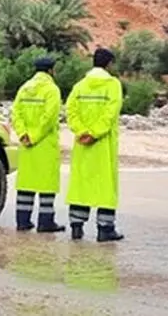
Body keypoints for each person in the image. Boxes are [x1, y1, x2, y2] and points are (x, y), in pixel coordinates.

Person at [64, 48, 125, 242]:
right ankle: (105, 229)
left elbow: (70, 111)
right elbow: (110, 113)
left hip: (82, 145)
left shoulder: (80, 86)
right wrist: (95, 133)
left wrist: (82, 132)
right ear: (108, 64)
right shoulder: (113, 85)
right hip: (103, 145)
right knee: (105, 187)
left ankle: (76, 227)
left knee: (81, 186)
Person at [10, 56, 65, 233]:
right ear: (50, 70)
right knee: (46, 184)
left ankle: (22, 221)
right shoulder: (52, 90)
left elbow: (15, 113)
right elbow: (49, 118)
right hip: (44, 144)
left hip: (26, 145)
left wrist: (23, 134)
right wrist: (35, 136)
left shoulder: (24, 88)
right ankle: (45, 222)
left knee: (26, 183)